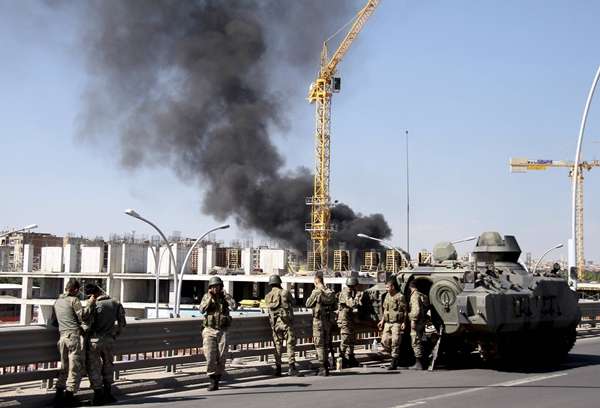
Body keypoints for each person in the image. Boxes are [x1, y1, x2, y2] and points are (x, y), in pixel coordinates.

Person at [49, 278, 93, 408]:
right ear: (75, 290)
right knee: (74, 368)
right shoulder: (74, 300)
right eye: (78, 290)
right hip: (73, 337)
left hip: (62, 337)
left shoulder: (57, 301)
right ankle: (69, 397)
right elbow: (83, 316)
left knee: (64, 367)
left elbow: (53, 322)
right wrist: (90, 303)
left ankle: (58, 395)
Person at [83, 283, 126, 405]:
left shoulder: (92, 304)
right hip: (109, 340)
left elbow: (86, 322)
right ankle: (108, 393)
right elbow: (122, 323)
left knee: (94, 367)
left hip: (94, 341)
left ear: (92, 295)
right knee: (108, 365)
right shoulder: (115, 303)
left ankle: (98, 395)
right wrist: (116, 334)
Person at [200, 276, 237, 391]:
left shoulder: (225, 297)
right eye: (213, 286)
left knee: (222, 356)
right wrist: (210, 298)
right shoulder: (207, 297)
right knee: (210, 356)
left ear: (221, 287)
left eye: (218, 286)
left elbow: (234, 307)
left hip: (222, 330)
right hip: (209, 330)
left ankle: (217, 379)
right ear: (210, 288)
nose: (216, 288)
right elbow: (201, 309)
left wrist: (226, 296)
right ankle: (212, 379)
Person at [264, 275, 303, 377]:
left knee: (277, 346)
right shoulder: (285, 292)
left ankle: (278, 368)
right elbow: (293, 302)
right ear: (279, 282)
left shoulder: (268, 296)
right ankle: (291, 367)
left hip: (275, 324)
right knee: (290, 344)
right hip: (286, 322)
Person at [305, 271, 337, 376]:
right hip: (327, 321)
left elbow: (308, 304)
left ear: (316, 281)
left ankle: (322, 367)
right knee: (326, 344)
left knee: (319, 344)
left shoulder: (316, 292)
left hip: (318, 321)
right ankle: (327, 365)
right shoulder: (330, 292)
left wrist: (317, 290)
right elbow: (335, 306)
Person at [377, 278, 407, 371]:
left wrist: (404, 322)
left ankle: (394, 362)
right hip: (387, 323)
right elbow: (385, 310)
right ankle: (395, 355)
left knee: (395, 342)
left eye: (387, 287)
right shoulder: (387, 296)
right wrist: (382, 321)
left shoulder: (400, 296)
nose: (386, 289)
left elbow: (405, 310)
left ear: (392, 287)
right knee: (384, 341)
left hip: (396, 323)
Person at [337, 276, 363, 368]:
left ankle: (351, 357)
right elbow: (351, 304)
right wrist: (357, 297)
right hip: (345, 320)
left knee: (351, 340)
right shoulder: (345, 293)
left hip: (350, 319)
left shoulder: (351, 292)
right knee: (345, 339)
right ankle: (341, 358)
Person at [408, 280, 429, 370]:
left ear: (411, 287)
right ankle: (423, 361)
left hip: (417, 322)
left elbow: (416, 310)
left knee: (415, 341)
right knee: (420, 340)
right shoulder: (422, 295)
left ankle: (418, 364)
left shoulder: (414, 296)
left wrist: (413, 320)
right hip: (422, 321)